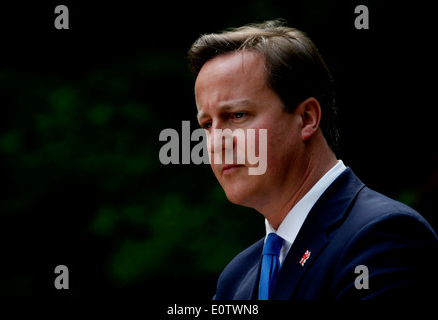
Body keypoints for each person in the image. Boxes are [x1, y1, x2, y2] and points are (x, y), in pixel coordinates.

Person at [187, 20, 437, 300]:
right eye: (207, 125)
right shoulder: (236, 280)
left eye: (237, 116)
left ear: (307, 118)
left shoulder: (383, 237)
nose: (217, 143)